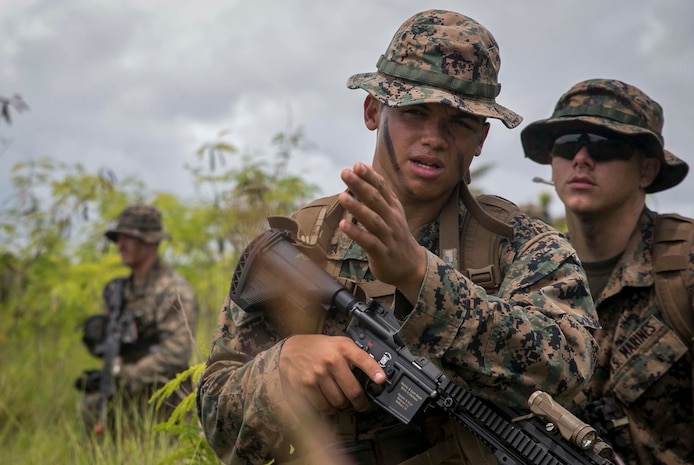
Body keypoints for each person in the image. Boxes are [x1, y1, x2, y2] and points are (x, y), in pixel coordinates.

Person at [198, 10, 600, 465]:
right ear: (374, 111)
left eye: (459, 121)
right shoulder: (300, 244)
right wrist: (282, 368)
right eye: (415, 113)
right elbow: (216, 420)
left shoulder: (524, 246)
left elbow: (567, 368)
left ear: (481, 138)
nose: (434, 137)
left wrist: (420, 276)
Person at [521, 78, 694, 464]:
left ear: (647, 170)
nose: (582, 158)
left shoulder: (688, 266)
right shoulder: (525, 270)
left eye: (604, 144)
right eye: (567, 144)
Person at [76, 204, 199, 436]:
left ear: (150, 241)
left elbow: (177, 351)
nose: (120, 245)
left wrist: (127, 374)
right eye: (119, 237)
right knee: (89, 406)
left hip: (162, 398)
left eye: (129, 238)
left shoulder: (174, 291)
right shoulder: (117, 291)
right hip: (123, 394)